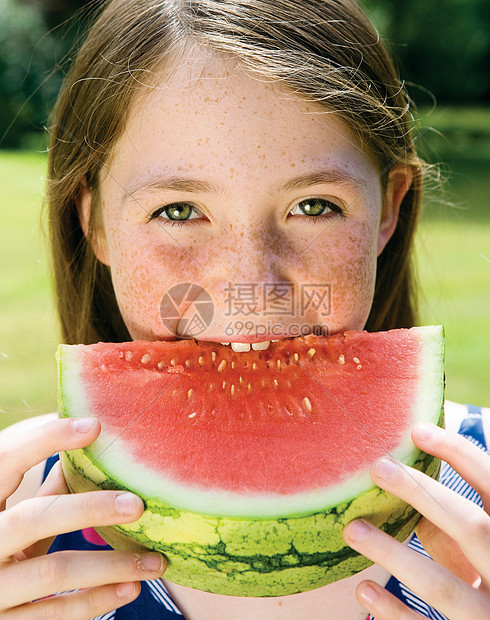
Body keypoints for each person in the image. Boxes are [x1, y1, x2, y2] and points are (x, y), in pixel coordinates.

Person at [1, 0, 489, 618]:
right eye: (178, 211)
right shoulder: (19, 527)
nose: (250, 281)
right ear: (93, 219)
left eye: (314, 206)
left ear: (388, 208)